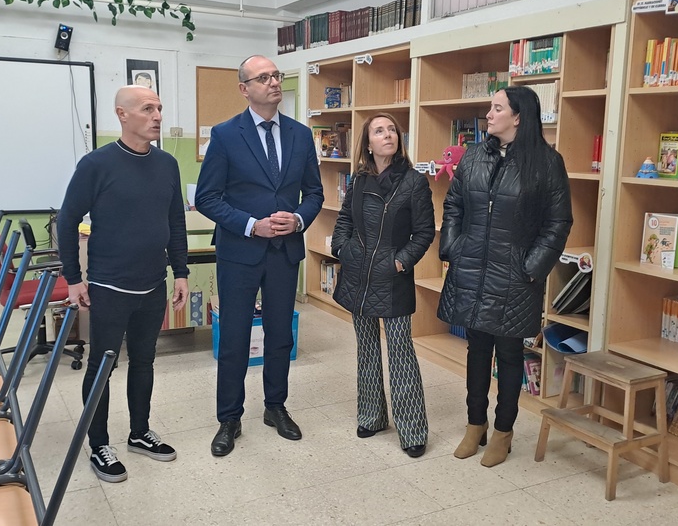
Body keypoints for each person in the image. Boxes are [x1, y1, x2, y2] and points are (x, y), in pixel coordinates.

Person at [57, 85, 189, 483]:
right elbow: (67, 220)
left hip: (153, 283)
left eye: (160, 108)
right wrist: (72, 279)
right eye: (148, 108)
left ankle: (139, 432)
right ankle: (98, 442)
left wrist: (180, 271)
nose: (158, 116)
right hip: (109, 284)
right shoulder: (96, 164)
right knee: (102, 366)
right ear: (122, 114)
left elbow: (176, 223)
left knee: (145, 361)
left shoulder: (167, 164)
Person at [195, 55, 324, 457]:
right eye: (263, 77)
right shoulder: (225, 134)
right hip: (240, 251)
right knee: (234, 337)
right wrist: (253, 225)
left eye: (276, 76)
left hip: (284, 252)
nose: (273, 82)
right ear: (244, 88)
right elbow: (207, 198)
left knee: (280, 336)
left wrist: (299, 220)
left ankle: (275, 407)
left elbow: (315, 193)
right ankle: (229, 418)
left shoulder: (301, 136)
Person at [438, 86, 572, 467]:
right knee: (477, 349)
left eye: (497, 108)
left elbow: (558, 223)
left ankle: (503, 431)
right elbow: (454, 205)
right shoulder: (474, 156)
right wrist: (452, 246)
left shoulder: (547, 162)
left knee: (510, 354)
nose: (488, 114)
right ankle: (474, 424)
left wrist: (531, 268)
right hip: (472, 267)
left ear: (518, 117)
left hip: (516, 275)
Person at [331, 113, 435, 458]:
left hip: (392, 277)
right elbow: (344, 218)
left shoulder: (414, 182)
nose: (388, 135)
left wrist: (401, 261)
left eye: (392, 130)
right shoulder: (359, 180)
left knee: (401, 352)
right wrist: (342, 248)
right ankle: (372, 416)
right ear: (368, 143)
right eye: (379, 131)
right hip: (359, 273)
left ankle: (412, 430)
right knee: (367, 348)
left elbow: (423, 233)